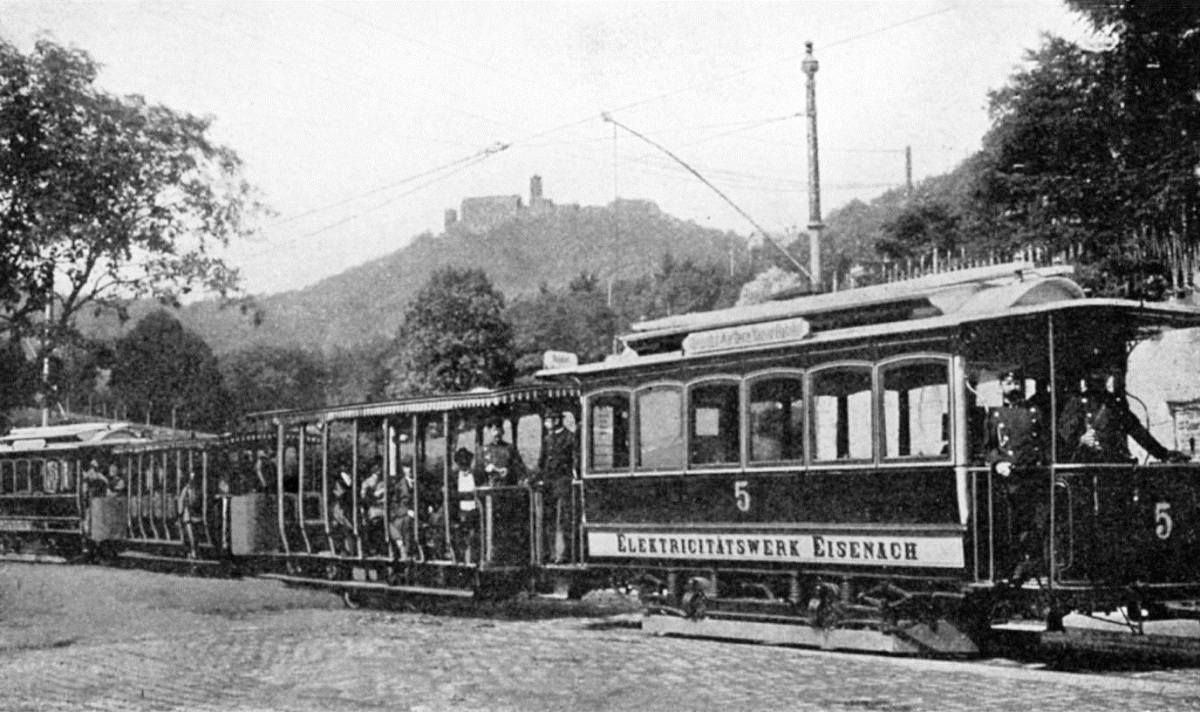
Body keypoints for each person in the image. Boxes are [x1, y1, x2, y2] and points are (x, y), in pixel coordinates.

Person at [982, 368, 1048, 581]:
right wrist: (997, 463)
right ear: (1001, 386)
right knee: (1012, 525)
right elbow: (988, 448)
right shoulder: (994, 415)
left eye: (1017, 383)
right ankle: (1013, 568)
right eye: (1009, 383)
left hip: (1033, 475)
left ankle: (1033, 564)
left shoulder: (1034, 412)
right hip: (1009, 479)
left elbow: (1043, 443)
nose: (1014, 388)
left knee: (1036, 524)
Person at [1059, 364, 1189, 464]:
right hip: (1086, 464)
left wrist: (1163, 454)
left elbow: (1137, 431)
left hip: (1114, 464)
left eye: (1103, 374)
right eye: (1095, 374)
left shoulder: (1114, 404)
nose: (1099, 379)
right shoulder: (1077, 403)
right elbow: (1063, 434)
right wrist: (1081, 439)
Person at [537, 410, 576, 564]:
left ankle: (563, 553)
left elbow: (574, 461)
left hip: (563, 484)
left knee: (563, 519)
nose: (546, 424)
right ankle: (551, 553)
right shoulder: (547, 439)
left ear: (556, 421)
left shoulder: (569, 438)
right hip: (549, 486)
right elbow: (542, 463)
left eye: (548, 420)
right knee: (549, 519)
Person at [451, 447, 480, 563]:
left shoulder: (476, 477)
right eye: (461, 465)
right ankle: (462, 558)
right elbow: (452, 498)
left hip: (475, 512)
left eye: (466, 464)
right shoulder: (454, 478)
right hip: (460, 513)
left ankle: (472, 558)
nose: (464, 468)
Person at [481, 417, 526, 486]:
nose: (496, 433)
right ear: (490, 432)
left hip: (508, 486)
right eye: (494, 430)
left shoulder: (510, 448)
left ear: (502, 431)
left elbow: (519, 467)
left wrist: (508, 470)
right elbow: (479, 471)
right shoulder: (485, 450)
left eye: (499, 430)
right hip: (490, 488)